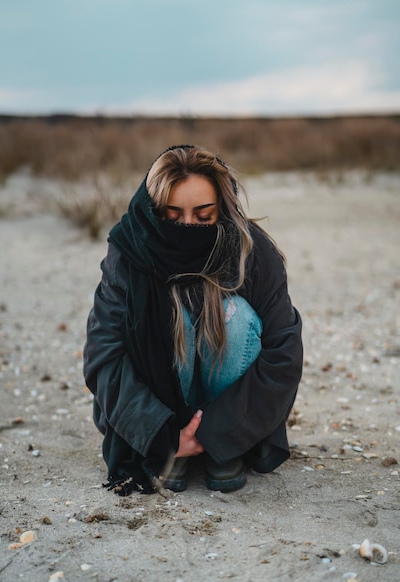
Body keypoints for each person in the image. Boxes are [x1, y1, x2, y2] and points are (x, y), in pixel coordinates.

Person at [83, 145, 303, 496]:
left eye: (204, 216)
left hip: (234, 417)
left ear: (224, 208)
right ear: (154, 211)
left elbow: (284, 350)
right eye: (173, 215)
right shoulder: (129, 250)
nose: (188, 226)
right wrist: (163, 433)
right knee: (168, 315)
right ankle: (173, 450)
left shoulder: (252, 250)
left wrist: (218, 431)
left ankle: (225, 448)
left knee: (236, 316)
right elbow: (103, 351)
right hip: (161, 417)